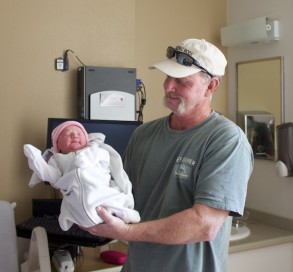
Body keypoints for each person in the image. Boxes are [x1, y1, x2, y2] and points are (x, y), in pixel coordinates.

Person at [82, 38, 254, 272]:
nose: (168, 87)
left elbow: (204, 225)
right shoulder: (143, 135)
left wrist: (126, 232)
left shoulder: (226, 141)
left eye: (181, 81)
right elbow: (120, 197)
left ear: (211, 86)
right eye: (167, 77)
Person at [23, 120, 140, 231]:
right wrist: (37, 161)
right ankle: (71, 218)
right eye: (66, 134)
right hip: (74, 193)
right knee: (69, 206)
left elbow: (106, 161)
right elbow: (53, 177)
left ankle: (126, 214)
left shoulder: (96, 150)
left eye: (79, 133)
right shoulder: (57, 159)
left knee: (114, 199)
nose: (74, 135)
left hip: (99, 189)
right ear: (57, 145)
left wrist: (86, 160)